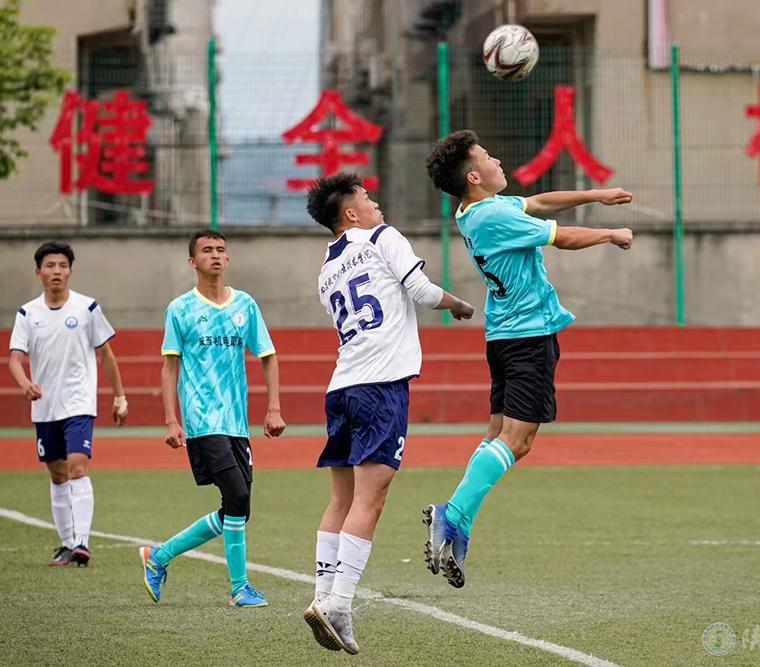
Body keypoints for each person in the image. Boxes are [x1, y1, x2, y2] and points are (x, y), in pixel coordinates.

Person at [423, 130, 633, 588]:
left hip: (503, 334)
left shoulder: (473, 210)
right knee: (518, 442)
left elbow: (538, 203)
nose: (497, 159)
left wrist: (595, 195)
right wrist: (610, 233)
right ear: (473, 176)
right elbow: (562, 238)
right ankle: (451, 514)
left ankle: (459, 525)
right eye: (487, 156)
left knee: (497, 435)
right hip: (529, 335)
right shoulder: (495, 214)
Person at [301, 173, 474, 654]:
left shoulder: (326, 270)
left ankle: (322, 596)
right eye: (367, 198)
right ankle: (339, 604)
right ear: (350, 213)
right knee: (370, 500)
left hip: (342, 387)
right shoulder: (381, 237)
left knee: (340, 498)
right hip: (380, 386)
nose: (376, 204)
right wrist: (458, 304)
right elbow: (420, 290)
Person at [140, 229, 285, 608]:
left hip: (237, 422)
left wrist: (273, 408)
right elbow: (169, 367)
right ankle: (240, 588)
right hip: (203, 421)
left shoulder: (245, 305)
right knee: (237, 496)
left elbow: (268, 356)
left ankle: (159, 556)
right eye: (207, 250)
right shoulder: (180, 309)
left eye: (221, 250)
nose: (215, 255)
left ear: (228, 258)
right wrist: (171, 420)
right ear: (193, 261)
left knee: (238, 509)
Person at [8, 241, 128, 567]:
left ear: (70, 271)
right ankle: (66, 543)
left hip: (79, 403)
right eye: (50, 266)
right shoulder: (27, 313)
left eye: (62, 265)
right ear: (39, 272)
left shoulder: (87, 308)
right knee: (58, 475)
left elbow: (106, 355)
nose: (57, 271)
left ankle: (82, 543)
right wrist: (25, 383)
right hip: (45, 407)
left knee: (77, 466)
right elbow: (15, 359)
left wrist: (120, 397)